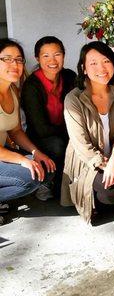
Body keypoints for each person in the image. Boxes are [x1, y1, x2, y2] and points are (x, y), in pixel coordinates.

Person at [61, 41, 114, 223]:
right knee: (109, 192)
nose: (101, 68)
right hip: (89, 161)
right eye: (93, 63)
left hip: (112, 155)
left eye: (106, 61)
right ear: (83, 68)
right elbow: (82, 146)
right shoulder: (74, 99)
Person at [0, 39, 55, 225]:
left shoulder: (13, 90)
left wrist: (35, 153)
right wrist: (23, 160)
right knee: (28, 180)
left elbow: (15, 131)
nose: (14, 64)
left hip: (2, 154)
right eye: (7, 59)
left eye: (18, 59)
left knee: (44, 169)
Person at [21, 36, 76, 198]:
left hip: (66, 132)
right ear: (37, 58)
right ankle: (46, 181)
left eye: (57, 54)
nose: (52, 60)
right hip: (40, 139)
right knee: (58, 144)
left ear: (64, 56)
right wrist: (71, 134)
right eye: (46, 56)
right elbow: (41, 129)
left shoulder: (69, 77)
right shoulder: (32, 86)